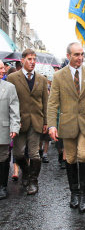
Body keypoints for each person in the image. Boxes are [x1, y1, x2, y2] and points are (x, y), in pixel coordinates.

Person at [47, 42, 85, 213]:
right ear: (68, 56)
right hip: (67, 124)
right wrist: (52, 125)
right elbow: (53, 103)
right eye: (76, 55)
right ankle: (74, 193)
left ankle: (84, 194)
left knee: (83, 155)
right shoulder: (59, 76)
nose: (80, 58)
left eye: (82, 54)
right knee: (70, 158)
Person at [7, 49, 48, 195]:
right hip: (20, 122)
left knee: (34, 154)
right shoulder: (12, 78)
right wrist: (14, 121)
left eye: (34, 59)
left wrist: (46, 122)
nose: (32, 62)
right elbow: (10, 101)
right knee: (18, 154)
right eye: (29, 59)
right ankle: (26, 171)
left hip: (36, 121)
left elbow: (45, 102)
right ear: (22, 60)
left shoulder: (42, 79)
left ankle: (33, 181)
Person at [0, 60, 20, 199]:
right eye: (0, 68)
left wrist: (14, 126)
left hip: (3, 128)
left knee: (3, 157)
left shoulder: (9, 87)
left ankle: (2, 186)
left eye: (3, 68)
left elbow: (14, 109)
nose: (3, 70)